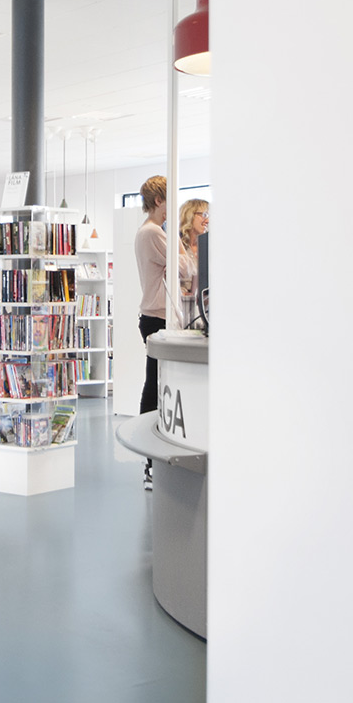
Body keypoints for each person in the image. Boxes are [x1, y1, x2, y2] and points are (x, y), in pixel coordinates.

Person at [134, 176, 193, 490]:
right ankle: (150, 463)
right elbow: (187, 268)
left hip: (156, 316)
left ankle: (154, 461)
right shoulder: (153, 233)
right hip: (157, 318)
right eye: (170, 199)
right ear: (159, 201)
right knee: (155, 389)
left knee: (158, 386)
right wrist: (179, 241)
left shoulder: (153, 232)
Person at [178, 198, 209, 322]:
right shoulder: (177, 246)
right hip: (180, 311)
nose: (207, 220)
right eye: (204, 215)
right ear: (190, 215)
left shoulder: (210, 247)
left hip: (205, 312)